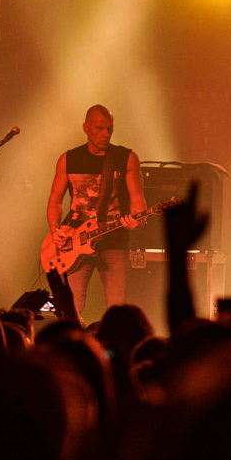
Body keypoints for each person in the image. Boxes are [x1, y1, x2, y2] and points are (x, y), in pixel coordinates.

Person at [46, 104, 147, 319]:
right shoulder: (69, 159)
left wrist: (138, 221)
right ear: (86, 128)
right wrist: (55, 229)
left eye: (110, 129)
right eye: (100, 128)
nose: (106, 134)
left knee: (117, 309)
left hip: (113, 238)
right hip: (75, 239)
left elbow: (138, 201)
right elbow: (55, 200)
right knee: (72, 306)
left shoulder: (126, 158)